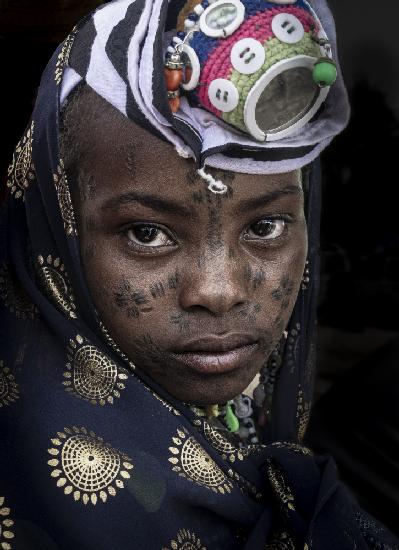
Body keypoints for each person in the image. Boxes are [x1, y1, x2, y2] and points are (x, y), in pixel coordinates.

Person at [0, 0, 397, 548]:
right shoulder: (40, 493)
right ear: (56, 229)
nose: (220, 291)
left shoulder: (250, 413)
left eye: (266, 227)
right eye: (147, 233)